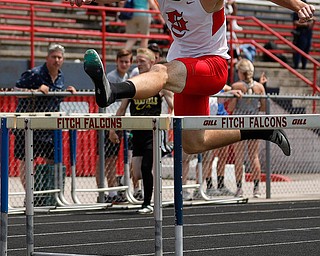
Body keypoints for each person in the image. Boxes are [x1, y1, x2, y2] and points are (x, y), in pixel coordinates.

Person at [68, 0, 315, 167]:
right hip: (184, 71)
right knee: (193, 142)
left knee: (161, 71)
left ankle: (112, 91)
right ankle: (258, 130)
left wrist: (296, 5)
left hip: (212, 66)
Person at [109, 48, 173, 214]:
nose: (138, 64)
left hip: (152, 133)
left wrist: (169, 120)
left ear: (152, 63)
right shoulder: (133, 83)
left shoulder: (160, 84)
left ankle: (147, 203)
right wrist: (112, 129)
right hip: (136, 133)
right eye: (137, 61)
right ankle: (146, 198)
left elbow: (173, 105)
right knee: (136, 173)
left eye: (141, 61)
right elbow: (122, 108)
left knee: (146, 167)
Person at [13, 43, 76, 190]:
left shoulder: (60, 76)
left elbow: (54, 99)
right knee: (27, 160)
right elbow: (16, 90)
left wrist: (66, 93)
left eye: (59, 57)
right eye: (54, 57)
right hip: (29, 124)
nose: (57, 60)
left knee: (53, 159)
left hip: (49, 126)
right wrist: (35, 90)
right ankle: (30, 195)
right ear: (47, 58)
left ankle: (48, 193)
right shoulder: (35, 74)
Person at [96, 48, 133, 203]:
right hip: (110, 121)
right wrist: (112, 125)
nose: (124, 64)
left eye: (127, 62)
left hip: (123, 122)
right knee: (107, 159)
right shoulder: (111, 77)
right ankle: (106, 193)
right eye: (122, 61)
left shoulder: (130, 77)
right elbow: (110, 104)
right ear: (117, 61)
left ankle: (115, 189)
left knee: (122, 158)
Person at [227, 59, 267, 198]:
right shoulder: (259, 88)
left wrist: (235, 98)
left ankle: (239, 189)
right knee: (253, 156)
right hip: (254, 121)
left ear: (241, 72)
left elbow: (231, 108)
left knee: (239, 157)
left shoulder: (237, 86)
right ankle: (256, 188)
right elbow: (263, 107)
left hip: (239, 122)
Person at [292, 0, 314, 69]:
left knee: (306, 50)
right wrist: (306, 24)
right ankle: (296, 65)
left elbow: (311, 22)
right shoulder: (297, 11)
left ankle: (304, 65)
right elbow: (295, 22)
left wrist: (312, 22)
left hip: (308, 33)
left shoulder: (309, 11)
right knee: (299, 50)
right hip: (300, 33)